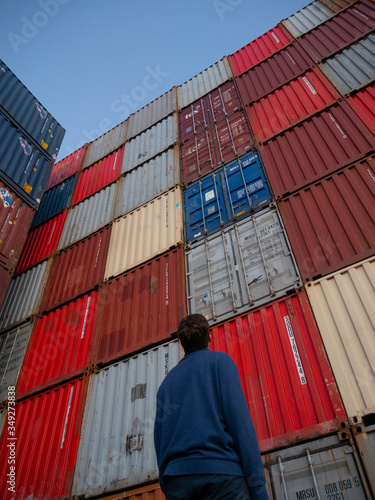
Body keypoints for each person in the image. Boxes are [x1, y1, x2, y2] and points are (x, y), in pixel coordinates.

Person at [154, 313, 269, 500]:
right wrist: (258, 489)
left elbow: (159, 443)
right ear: (209, 337)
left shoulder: (166, 385)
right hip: (222, 478)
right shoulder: (221, 363)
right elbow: (241, 427)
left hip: (177, 483)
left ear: (182, 345)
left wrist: (168, 485)